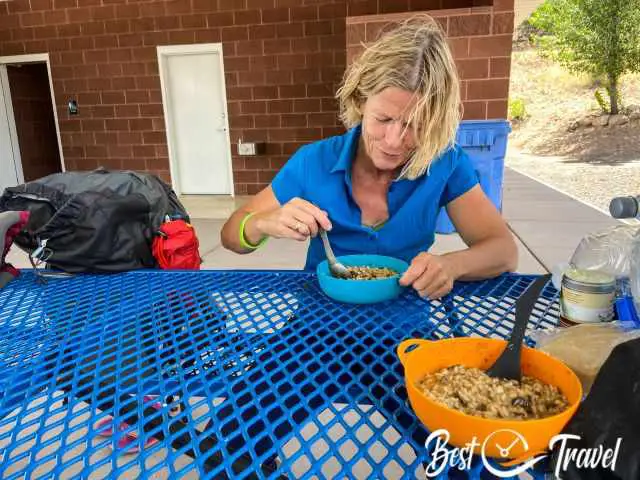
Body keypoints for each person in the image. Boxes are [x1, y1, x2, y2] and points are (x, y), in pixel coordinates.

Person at [221, 14, 517, 300]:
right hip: (318, 321)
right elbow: (231, 235)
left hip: (405, 319)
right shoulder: (313, 162)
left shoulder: (445, 162)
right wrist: (262, 223)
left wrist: (453, 265)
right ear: (360, 102)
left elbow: (503, 251)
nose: (394, 141)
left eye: (416, 125)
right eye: (383, 119)